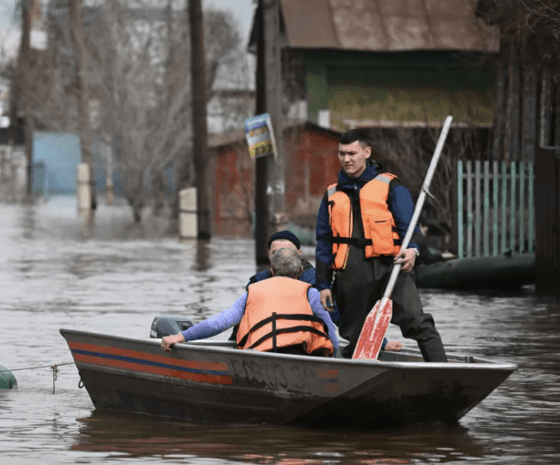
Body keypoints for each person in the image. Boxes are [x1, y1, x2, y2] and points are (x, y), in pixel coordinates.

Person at [315, 129, 447, 362]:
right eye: (342, 153)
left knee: (417, 322)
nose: (346, 159)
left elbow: (412, 230)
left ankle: (443, 370)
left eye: (352, 153)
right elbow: (324, 242)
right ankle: (359, 374)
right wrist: (324, 283)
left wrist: (412, 250)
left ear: (367, 152)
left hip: (391, 269)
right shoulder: (331, 194)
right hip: (350, 274)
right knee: (356, 335)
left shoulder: (392, 188)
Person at [235, 229, 403, 352]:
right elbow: (242, 320)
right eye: (276, 252)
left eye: (288, 252)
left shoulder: (315, 283)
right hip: (264, 346)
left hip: (304, 347)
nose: (282, 257)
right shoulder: (257, 282)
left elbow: (340, 319)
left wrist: (381, 342)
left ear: (299, 254)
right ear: (269, 255)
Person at [161, 247, 338, 357]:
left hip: (261, 355)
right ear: (300, 271)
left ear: (272, 271)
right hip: (300, 354)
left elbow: (220, 322)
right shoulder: (311, 293)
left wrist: (181, 336)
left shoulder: (252, 292)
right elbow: (331, 336)